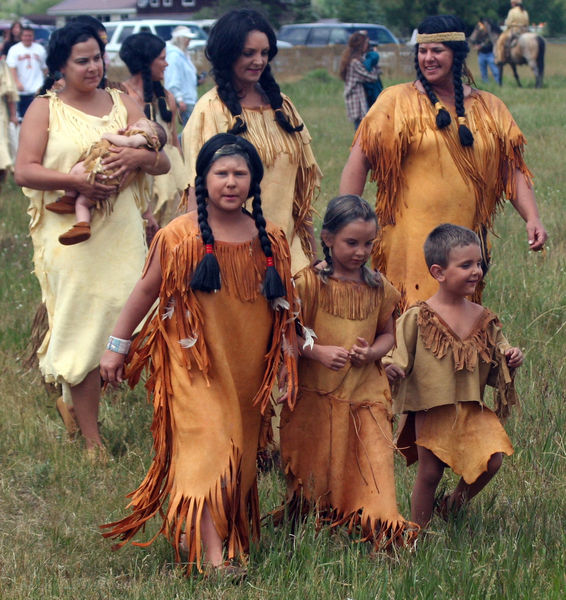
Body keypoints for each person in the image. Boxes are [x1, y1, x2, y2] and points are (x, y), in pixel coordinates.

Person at [99, 133, 299, 576]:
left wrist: (287, 363)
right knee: (210, 448)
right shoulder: (179, 235)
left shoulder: (270, 239)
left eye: (240, 174)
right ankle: (215, 559)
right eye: (221, 173)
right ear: (202, 180)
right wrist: (117, 345)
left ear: (254, 181)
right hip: (194, 364)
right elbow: (146, 290)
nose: (230, 182)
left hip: (246, 366)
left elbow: (285, 309)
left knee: (241, 456)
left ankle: (203, 532)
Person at [14, 22, 170, 454]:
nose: (93, 67)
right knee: (84, 324)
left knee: (139, 318)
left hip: (122, 231)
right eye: (82, 60)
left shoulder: (123, 101)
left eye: (98, 58)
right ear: (60, 66)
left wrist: (141, 153)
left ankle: (163, 424)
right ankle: (92, 439)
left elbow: (162, 160)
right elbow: (25, 169)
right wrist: (76, 182)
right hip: (71, 236)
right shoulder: (44, 109)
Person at [339, 14, 547, 311]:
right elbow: (358, 162)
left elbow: (511, 170)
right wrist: (346, 222)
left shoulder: (490, 107)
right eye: (423, 51)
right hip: (409, 242)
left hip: (463, 243)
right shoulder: (396, 101)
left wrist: (533, 218)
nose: (428, 58)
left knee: (456, 329)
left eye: (437, 51)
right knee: (407, 324)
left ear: (457, 55)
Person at [278, 195, 418, 548]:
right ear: (327, 238)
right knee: (318, 468)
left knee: (373, 465)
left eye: (368, 243)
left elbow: (388, 333)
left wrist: (371, 352)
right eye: (351, 243)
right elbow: (286, 335)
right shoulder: (308, 284)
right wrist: (318, 351)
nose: (361, 251)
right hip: (316, 396)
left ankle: (381, 527)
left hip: (365, 396)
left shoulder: (379, 288)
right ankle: (322, 519)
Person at [384, 224, 522, 527]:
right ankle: (416, 532)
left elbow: (498, 354)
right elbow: (397, 354)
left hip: (471, 408)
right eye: (466, 265)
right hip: (432, 409)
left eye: (478, 263)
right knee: (430, 473)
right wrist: (390, 367)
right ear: (438, 272)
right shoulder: (419, 317)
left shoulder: (483, 319)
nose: (476, 271)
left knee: (492, 460)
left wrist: (511, 357)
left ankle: (453, 504)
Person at [182, 8, 321, 275]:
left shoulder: (283, 108)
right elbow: (196, 192)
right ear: (227, 53)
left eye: (264, 53)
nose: (258, 61)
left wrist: (311, 254)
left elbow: (300, 193)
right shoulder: (210, 111)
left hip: (288, 254)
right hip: (231, 256)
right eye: (249, 53)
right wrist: (198, 261)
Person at [46, 117, 167, 245]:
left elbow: (129, 143)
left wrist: (108, 136)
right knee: (82, 203)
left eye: (139, 125)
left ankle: (69, 198)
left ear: (153, 138)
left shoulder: (143, 139)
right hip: (111, 183)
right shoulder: (146, 147)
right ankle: (82, 225)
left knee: (77, 169)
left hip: (105, 171)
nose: (132, 126)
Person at [119, 32, 186, 230]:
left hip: (172, 178)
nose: (166, 64)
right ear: (146, 61)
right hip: (139, 179)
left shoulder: (166, 97)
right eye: (162, 59)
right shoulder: (120, 96)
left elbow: (174, 141)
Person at [340, 32, 382, 130]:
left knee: (363, 130)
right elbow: (371, 77)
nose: (368, 46)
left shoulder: (355, 60)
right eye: (366, 43)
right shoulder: (355, 63)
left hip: (359, 99)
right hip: (357, 101)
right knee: (361, 132)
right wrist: (374, 59)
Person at [6, 26, 47, 119]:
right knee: (23, 117)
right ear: (21, 36)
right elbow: (11, 68)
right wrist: (17, 82)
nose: (27, 38)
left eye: (30, 35)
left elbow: (45, 68)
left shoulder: (40, 49)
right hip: (21, 89)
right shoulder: (14, 49)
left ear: (33, 36)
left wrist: (45, 84)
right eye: (25, 35)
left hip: (37, 88)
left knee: (37, 116)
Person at [164, 26, 200, 130]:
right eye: (187, 39)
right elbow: (172, 80)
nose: (189, 41)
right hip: (185, 101)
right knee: (192, 130)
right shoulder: (174, 56)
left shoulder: (182, 55)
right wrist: (179, 100)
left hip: (190, 99)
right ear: (181, 39)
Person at [0, 57, 19, 188]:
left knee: (2, 147)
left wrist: (13, 115)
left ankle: (2, 181)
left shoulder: (2, 66)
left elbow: (10, 93)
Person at [472, 19, 500, 83]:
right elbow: (474, 41)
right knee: (483, 72)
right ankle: (486, 85)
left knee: (495, 71)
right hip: (481, 54)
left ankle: (498, 83)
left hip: (490, 54)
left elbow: (493, 42)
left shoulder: (491, 34)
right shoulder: (479, 34)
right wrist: (476, 46)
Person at [362, 42, 383, 107]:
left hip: (372, 88)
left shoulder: (367, 57)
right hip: (372, 88)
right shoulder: (372, 56)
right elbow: (368, 68)